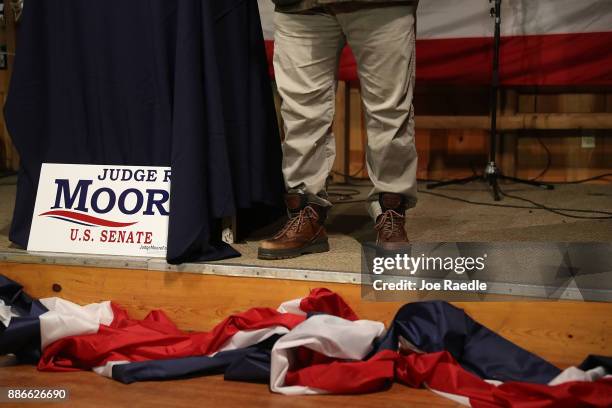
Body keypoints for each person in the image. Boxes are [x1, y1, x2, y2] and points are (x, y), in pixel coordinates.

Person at [258, 0, 418, 260]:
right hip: (300, 5)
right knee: (301, 113)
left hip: (383, 4)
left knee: (389, 110)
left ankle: (392, 212)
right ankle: (305, 213)